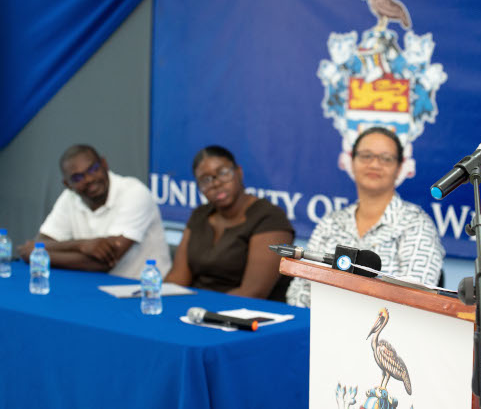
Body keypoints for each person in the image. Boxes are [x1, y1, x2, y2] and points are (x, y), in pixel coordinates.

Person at [286, 127, 445, 308]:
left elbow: (417, 299)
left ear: (399, 167)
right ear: (352, 162)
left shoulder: (416, 225)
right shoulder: (331, 222)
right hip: (320, 327)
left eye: (386, 158)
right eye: (366, 156)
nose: (374, 164)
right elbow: (299, 290)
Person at [18, 144, 171, 279]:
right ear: (68, 184)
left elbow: (103, 263)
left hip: (145, 292)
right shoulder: (68, 198)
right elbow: (42, 242)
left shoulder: (134, 192)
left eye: (93, 169)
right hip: (95, 288)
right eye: (78, 178)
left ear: (104, 164)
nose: (89, 179)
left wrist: (37, 255)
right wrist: (83, 245)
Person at [165, 145, 294, 302]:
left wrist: (201, 310)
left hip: (243, 314)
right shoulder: (199, 215)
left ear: (239, 172)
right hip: (194, 310)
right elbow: (178, 278)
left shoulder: (270, 218)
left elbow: (253, 293)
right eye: (205, 180)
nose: (216, 183)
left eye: (223, 173)